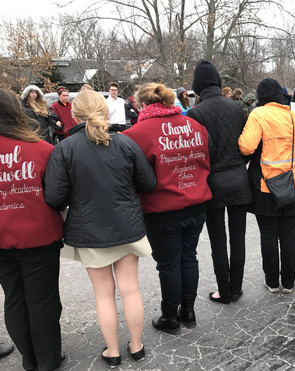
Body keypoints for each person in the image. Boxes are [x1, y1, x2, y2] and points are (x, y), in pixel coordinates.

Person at [44, 90, 156, 368]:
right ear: (106, 112)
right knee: (131, 289)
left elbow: (54, 197)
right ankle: (137, 346)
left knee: (103, 294)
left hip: (89, 230)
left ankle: (114, 351)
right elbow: (148, 183)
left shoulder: (65, 149)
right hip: (127, 225)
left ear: (75, 114)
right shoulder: (125, 144)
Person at [123, 83, 211, 333]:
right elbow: (207, 159)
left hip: (162, 209)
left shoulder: (136, 134)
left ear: (142, 104)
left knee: (169, 264)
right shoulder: (196, 127)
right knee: (188, 257)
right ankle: (189, 311)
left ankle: (170, 316)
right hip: (196, 203)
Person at [0, 88, 64, 371]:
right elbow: (57, 196)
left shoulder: (45, 149)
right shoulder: (43, 150)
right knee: (42, 300)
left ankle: (29, 358)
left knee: (14, 297)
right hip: (39, 237)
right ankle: (47, 360)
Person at [187, 60, 251, 304]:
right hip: (238, 178)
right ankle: (236, 288)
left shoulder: (195, 114)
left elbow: (199, 153)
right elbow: (247, 144)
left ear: (197, 86)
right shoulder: (237, 108)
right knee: (238, 238)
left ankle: (224, 291)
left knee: (218, 240)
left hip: (212, 182)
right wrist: (241, 161)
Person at [238, 78, 295, 294]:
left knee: (268, 236)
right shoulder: (294, 117)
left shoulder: (258, 114)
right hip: (292, 185)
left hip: (265, 187)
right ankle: (289, 282)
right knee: (289, 235)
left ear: (261, 97)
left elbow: (247, 147)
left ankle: (273, 283)